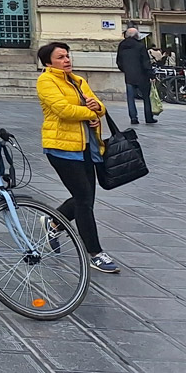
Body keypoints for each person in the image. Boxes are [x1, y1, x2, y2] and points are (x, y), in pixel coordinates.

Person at [35, 41, 120, 275]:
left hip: (87, 147)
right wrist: (90, 112)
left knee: (86, 197)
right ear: (49, 62)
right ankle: (95, 253)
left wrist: (97, 110)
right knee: (84, 199)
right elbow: (63, 110)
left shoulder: (79, 81)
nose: (67, 60)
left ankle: (53, 222)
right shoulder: (46, 81)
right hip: (61, 148)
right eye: (61, 57)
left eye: (67, 56)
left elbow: (99, 105)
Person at [114, 27, 156, 126]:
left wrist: (125, 70)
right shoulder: (140, 46)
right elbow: (145, 62)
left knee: (130, 98)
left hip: (129, 76)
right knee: (146, 97)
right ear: (136, 35)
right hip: (142, 75)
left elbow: (118, 61)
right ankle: (148, 117)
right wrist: (151, 74)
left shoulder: (122, 45)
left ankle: (133, 118)